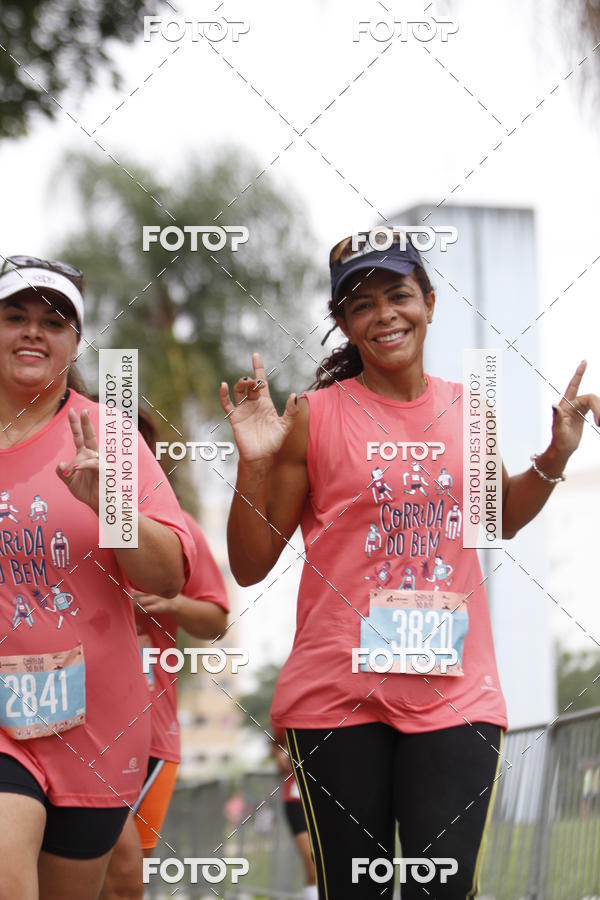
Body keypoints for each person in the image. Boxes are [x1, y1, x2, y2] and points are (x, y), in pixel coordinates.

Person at [221, 231, 600, 898]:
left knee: (443, 889)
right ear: (342, 322)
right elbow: (250, 565)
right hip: (338, 695)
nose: (385, 315)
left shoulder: (467, 410)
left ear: (428, 301)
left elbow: (497, 519)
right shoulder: (312, 417)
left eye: (399, 295)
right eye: (362, 304)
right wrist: (253, 464)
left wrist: (556, 454)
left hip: (455, 691)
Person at [0, 255, 196, 900]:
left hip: (99, 727)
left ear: (75, 342)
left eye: (52, 322)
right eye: (14, 317)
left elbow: (169, 575)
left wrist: (108, 503)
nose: (32, 332)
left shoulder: (110, 434)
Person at [99, 408, 229, 900]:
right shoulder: (60, 513)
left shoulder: (178, 530)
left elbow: (216, 620)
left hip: (150, 732)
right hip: (65, 723)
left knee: (124, 879)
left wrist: (171, 601)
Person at [271, 721, 317, 900]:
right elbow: (275, 744)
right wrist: (279, 755)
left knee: (330, 867)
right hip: (296, 798)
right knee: (313, 865)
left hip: (327, 799)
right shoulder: (287, 715)